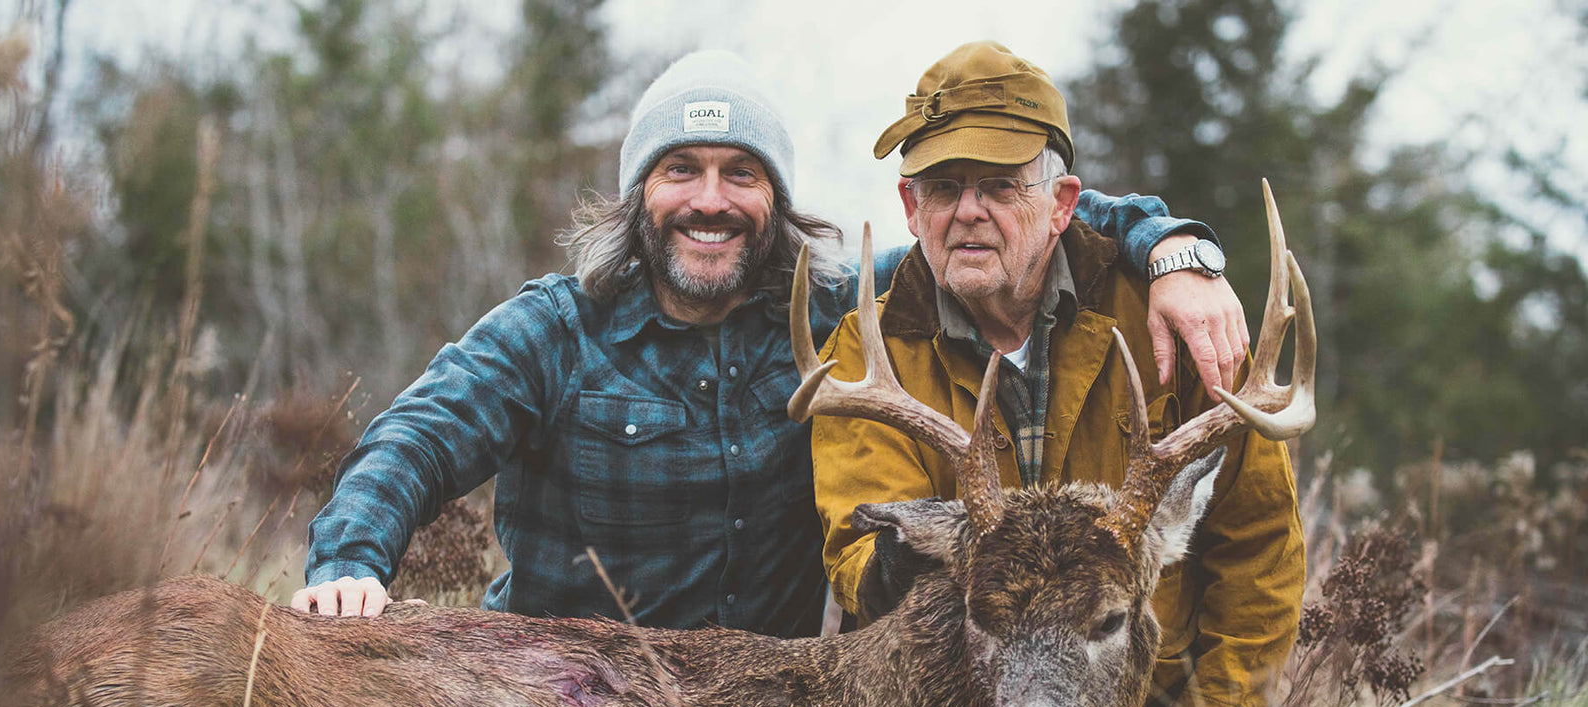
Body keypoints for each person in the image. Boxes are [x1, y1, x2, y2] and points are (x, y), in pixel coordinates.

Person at [293, 49, 1249, 641]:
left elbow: (998, 224)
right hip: (564, 698)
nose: (710, 199)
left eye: (741, 174)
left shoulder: (832, 312)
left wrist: (1171, 245)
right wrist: (348, 565)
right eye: (682, 170)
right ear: (640, 197)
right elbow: (415, 438)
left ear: (775, 202)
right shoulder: (555, 330)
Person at [810, 41, 1304, 707]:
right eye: (942, 188)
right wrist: (901, 553)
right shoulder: (869, 352)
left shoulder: (1169, 317)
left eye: (1001, 185)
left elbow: (1259, 546)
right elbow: (859, 551)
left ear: (1063, 202)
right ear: (908, 205)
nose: (968, 211)